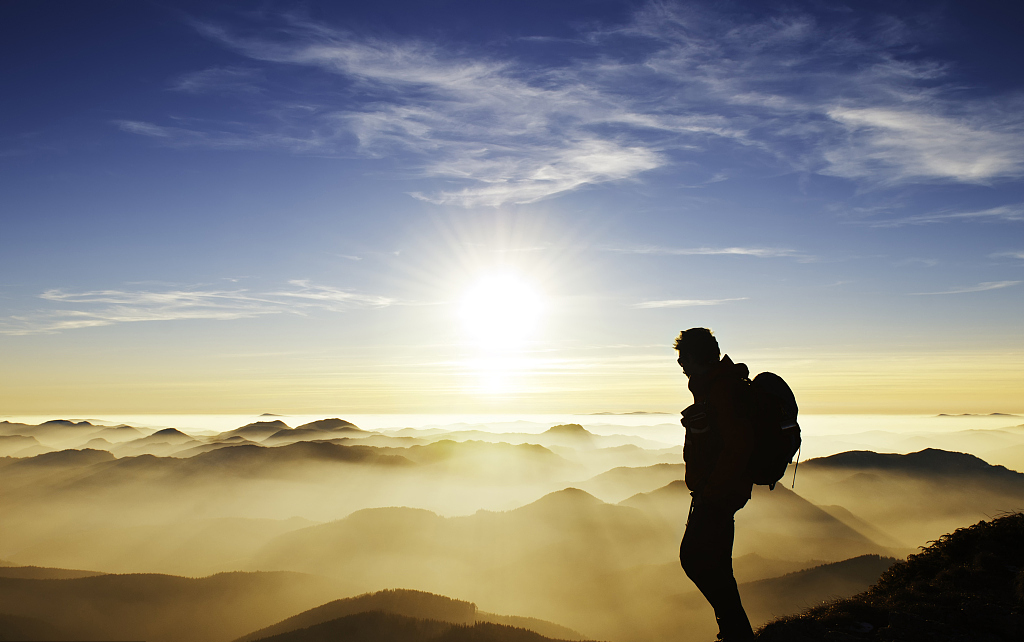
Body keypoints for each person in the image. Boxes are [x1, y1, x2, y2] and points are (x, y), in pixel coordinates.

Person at [675, 327, 755, 642]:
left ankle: (736, 632)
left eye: (683, 357)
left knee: (694, 558)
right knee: (719, 565)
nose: (680, 364)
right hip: (721, 490)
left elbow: (738, 444)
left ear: (697, 356)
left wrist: (711, 491)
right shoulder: (714, 386)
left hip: (719, 492)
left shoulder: (721, 389)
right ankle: (737, 633)